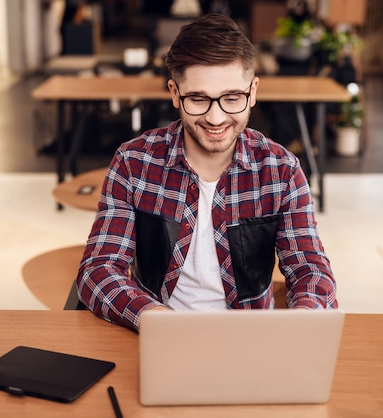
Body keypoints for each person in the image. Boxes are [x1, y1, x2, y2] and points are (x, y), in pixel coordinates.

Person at [76, 13, 337, 331]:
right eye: (198, 99)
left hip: (251, 341)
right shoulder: (133, 162)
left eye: (231, 98)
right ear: (175, 94)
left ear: (252, 91)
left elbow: (311, 269)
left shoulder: (281, 170)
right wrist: (156, 320)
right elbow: (98, 269)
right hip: (158, 334)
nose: (216, 118)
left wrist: (303, 319)